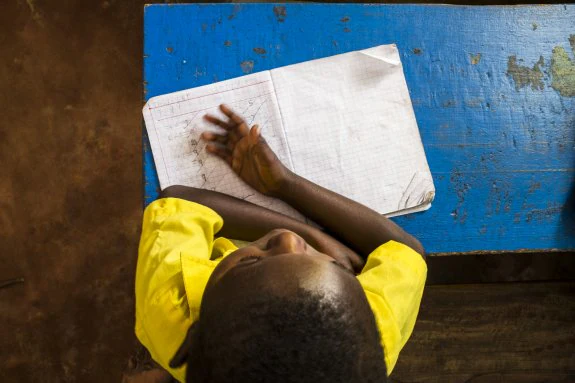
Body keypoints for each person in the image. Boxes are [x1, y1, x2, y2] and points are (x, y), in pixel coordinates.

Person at [135, 105, 427, 383]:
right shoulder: (363, 344)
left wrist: (317, 239)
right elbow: (407, 251)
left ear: (192, 338)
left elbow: (180, 200)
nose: (288, 239)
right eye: (336, 266)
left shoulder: (168, 311)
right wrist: (286, 184)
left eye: (251, 261)